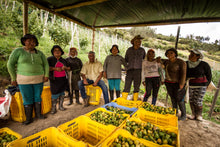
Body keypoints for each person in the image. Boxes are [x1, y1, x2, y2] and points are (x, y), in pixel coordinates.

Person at [7, 34, 49, 125]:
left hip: (39, 79)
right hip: (23, 80)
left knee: (38, 96)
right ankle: (28, 118)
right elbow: (10, 64)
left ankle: (39, 115)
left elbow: (46, 64)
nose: (31, 43)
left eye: (33, 41)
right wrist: (13, 78)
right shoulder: (18, 51)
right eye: (29, 41)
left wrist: (46, 75)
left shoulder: (40, 53)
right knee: (27, 98)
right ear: (24, 41)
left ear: (36, 43)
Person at [159, 48, 187, 120]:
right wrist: (158, 59)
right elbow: (159, 60)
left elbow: (183, 74)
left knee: (180, 99)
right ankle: (175, 112)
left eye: (171, 53)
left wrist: (181, 84)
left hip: (177, 83)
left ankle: (184, 115)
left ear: (175, 54)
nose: (169, 54)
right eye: (168, 53)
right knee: (173, 98)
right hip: (168, 83)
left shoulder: (181, 62)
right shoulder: (167, 62)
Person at [186, 49, 212, 121]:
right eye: (190, 54)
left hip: (201, 85)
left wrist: (206, 84)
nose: (190, 56)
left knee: (198, 101)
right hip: (191, 84)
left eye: (192, 55)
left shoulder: (204, 64)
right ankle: (193, 114)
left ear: (198, 56)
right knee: (191, 100)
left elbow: (209, 75)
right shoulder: (186, 63)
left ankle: (199, 115)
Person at [122, 35, 146, 101]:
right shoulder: (129, 50)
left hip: (138, 71)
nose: (139, 43)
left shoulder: (142, 50)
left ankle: (135, 101)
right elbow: (126, 60)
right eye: (137, 41)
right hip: (130, 70)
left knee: (136, 87)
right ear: (133, 42)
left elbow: (144, 59)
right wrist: (126, 68)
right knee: (127, 86)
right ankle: (123, 100)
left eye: (140, 42)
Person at [47, 45, 70, 114]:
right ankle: (53, 108)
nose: (57, 52)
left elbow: (69, 68)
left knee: (62, 92)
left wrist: (65, 68)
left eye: (58, 50)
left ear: (61, 52)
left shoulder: (64, 60)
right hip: (54, 79)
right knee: (54, 93)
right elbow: (46, 68)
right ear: (53, 52)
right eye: (55, 51)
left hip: (63, 79)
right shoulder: (49, 59)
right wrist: (55, 69)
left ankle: (60, 106)